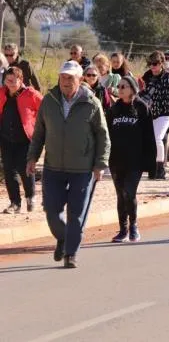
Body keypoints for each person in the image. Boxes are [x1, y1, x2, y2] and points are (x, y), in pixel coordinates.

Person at [27, 61, 110, 268]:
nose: (65, 81)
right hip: (53, 166)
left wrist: (100, 164)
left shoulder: (91, 103)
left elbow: (103, 136)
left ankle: (70, 253)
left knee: (77, 213)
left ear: (80, 79)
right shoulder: (49, 101)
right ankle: (64, 238)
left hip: (82, 168)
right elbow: (38, 134)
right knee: (52, 211)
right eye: (63, 77)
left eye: (70, 78)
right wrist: (31, 158)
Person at [107, 75, 156, 243]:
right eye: (119, 87)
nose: (120, 89)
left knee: (129, 192)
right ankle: (123, 229)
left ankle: (133, 225)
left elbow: (150, 137)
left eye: (123, 87)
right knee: (121, 195)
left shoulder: (142, 108)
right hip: (116, 160)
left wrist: (151, 163)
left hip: (135, 160)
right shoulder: (113, 109)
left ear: (132, 89)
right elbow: (107, 135)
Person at [0, 67, 43, 214]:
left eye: (13, 80)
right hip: (6, 139)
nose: (10, 83)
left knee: (25, 169)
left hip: (25, 139)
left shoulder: (30, 93)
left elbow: (45, 109)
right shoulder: (1, 93)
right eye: (8, 80)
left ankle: (30, 197)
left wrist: (38, 126)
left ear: (21, 80)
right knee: (9, 170)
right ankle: (15, 203)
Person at [141, 51, 169, 180]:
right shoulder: (147, 76)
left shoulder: (168, 77)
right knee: (152, 140)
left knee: (158, 138)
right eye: (150, 64)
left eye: (155, 63)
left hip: (165, 113)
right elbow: (144, 93)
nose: (152, 66)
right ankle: (153, 168)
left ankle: (160, 169)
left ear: (161, 63)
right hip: (151, 113)